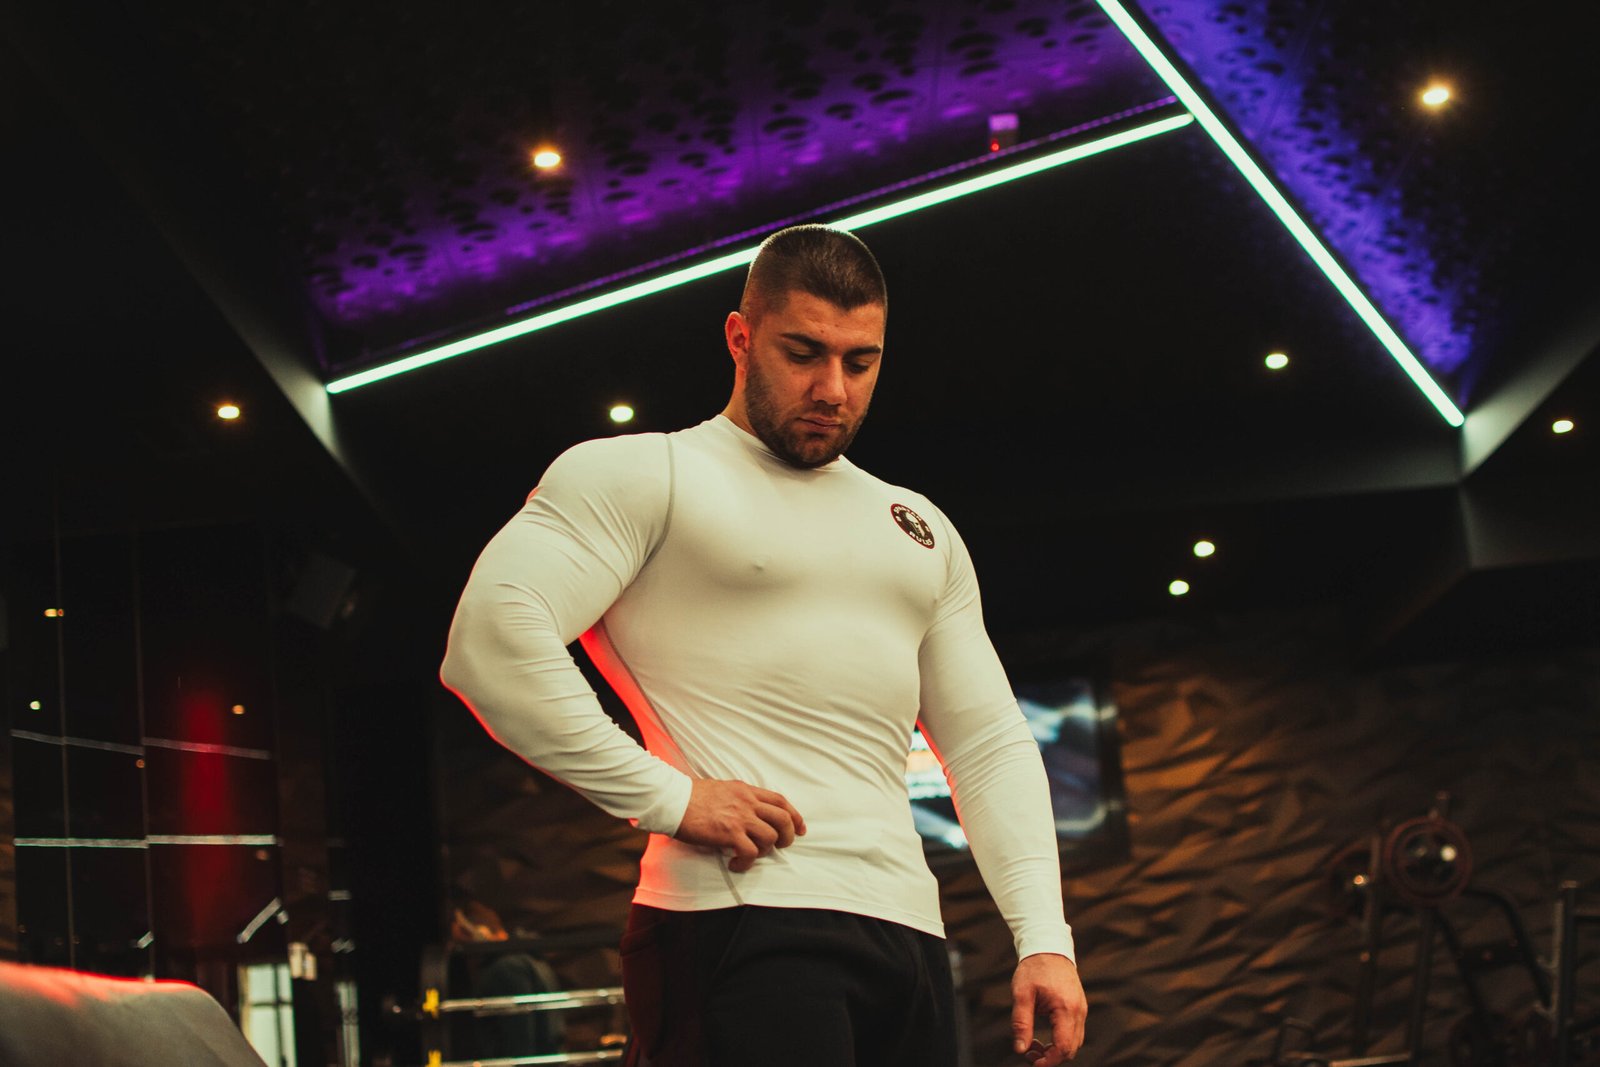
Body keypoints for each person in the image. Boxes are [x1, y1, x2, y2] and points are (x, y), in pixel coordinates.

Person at [440, 224, 1087, 1065]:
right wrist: (670, 797)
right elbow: (490, 645)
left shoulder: (919, 527)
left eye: (860, 361)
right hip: (737, 919)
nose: (833, 388)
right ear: (740, 338)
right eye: (803, 353)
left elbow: (989, 741)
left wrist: (1044, 935)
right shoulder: (647, 475)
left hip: (908, 931)